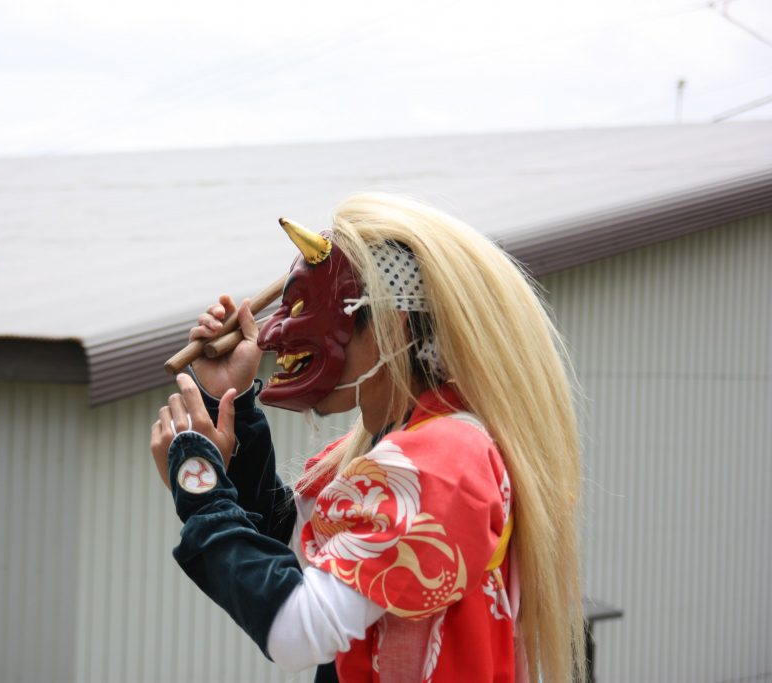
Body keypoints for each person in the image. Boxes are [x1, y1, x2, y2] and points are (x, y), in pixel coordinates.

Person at [150, 193, 584, 682]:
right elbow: (284, 544)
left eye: (311, 311)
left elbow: (296, 628)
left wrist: (199, 484)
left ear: (391, 328)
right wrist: (233, 400)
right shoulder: (392, 449)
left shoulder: (442, 460)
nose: (275, 335)